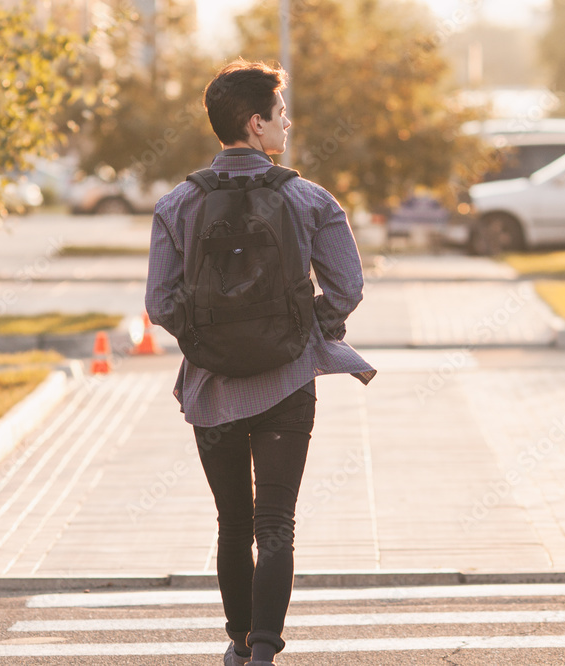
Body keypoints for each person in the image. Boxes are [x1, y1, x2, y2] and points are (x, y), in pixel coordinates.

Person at [145, 60, 375, 666]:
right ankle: (267, 651)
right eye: (280, 113)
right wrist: (306, 330)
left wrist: (207, 340)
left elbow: (159, 303)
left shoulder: (177, 203)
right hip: (288, 383)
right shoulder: (310, 199)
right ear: (255, 123)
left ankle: (237, 642)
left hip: (211, 388)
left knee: (231, 523)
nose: (288, 122)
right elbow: (348, 288)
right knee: (276, 524)